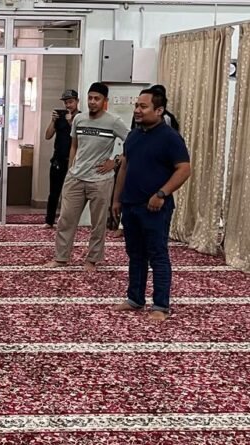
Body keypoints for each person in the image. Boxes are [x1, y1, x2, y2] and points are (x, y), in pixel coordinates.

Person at [112, 88, 191, 321]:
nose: (137, 110)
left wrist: (161, 193)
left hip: (155, 208)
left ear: (159, 110)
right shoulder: (133, 135)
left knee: (158, 255)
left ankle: (160, 305)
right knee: (135, 254)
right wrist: (117, 199)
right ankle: (135, 298)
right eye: (136, 105)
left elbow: (184, 169)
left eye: (143, 106)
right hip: (131, 205)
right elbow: (124, 167)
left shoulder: (170, 137)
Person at [43, 82, 130, 272]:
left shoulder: (114, 121)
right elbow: (74, 145)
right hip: (75, 178)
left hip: (100, 180)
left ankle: (92, 260)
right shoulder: (79, 119)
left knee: (98, 223)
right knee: (65, 219)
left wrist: (115, 161)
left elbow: (132, 143)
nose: (92, 102)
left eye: (97, 98)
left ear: (105, 101)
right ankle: (61, 257)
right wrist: (71, 168)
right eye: (90, 98)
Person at [43, 89, 80, 228]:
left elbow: (81, 139)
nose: (68, 105)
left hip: (74, 161)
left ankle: (67, 221)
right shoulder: (60, 117)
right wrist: (53, 121)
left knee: (70, 194)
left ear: (77, 101)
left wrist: (71, 123)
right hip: (58, 160)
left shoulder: (81, 118)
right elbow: (47, 136)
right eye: (66, 103)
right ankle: (49, 220)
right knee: (54, 192)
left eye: (71, 102)